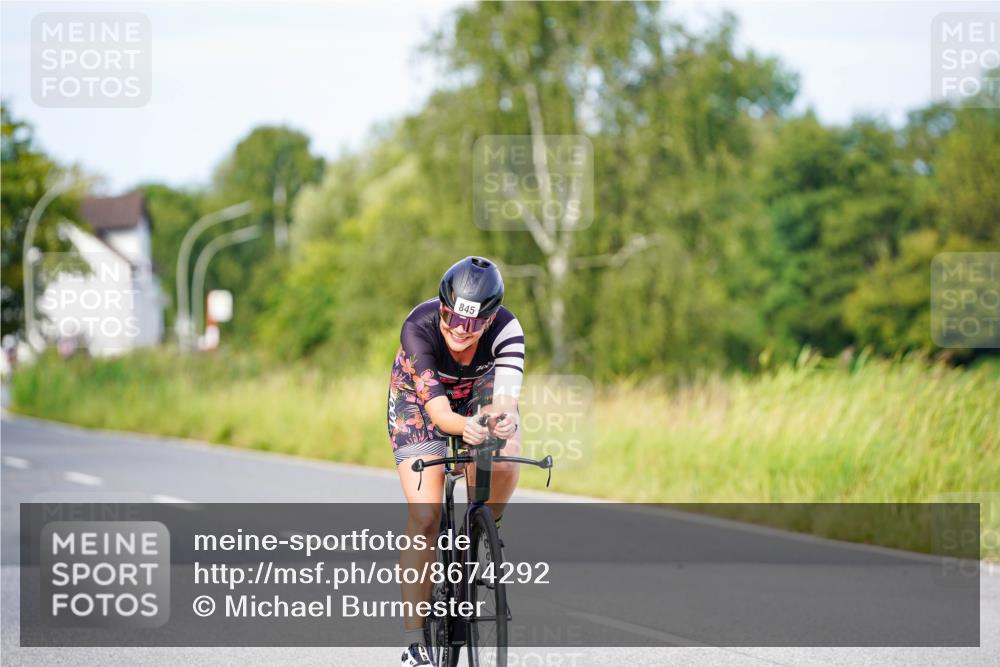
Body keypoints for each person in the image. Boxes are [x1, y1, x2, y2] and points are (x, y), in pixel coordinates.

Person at [388, 256, 524, 666]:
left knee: (507, 454)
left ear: (491, 318)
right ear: (443, 306)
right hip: (421, 402)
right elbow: (441, 417)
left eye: (473, 324)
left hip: (477, 392)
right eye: (452, 318)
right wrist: (461, 426)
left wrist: (502, 422)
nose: (459, 331)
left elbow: (506, 401)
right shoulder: (419, 326)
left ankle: (485, 527)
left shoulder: (507, 329)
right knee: (425, 515)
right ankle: (415, 642)